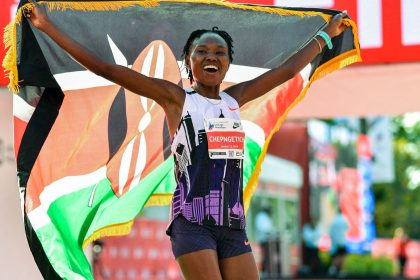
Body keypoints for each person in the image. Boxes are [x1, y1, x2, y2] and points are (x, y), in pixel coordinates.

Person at [24, 2, 347, 279]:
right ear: (188, 62)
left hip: (233, 228)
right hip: (193, 226)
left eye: (219, 52)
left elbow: (287, 70)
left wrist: (324, 36)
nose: (211, 56)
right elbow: (107, 69)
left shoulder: (236, 99)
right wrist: (48, 27)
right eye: (202, 51)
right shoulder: (176, 99)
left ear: (227, 64)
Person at [255, 206, 278, 276]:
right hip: (264, 240)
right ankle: (265, 272)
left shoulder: (265, 217)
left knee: (268, 257)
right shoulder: (261, 217)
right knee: (266, 256)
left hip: (268, 240)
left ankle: (268, 271)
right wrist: (272, 232)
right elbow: (265, 229)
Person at [328, 208, 349, 276]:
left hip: (335, 242)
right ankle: (340, 270)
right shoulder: (344, 219)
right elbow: (347, 228)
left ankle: (333, 269)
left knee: (336, 256)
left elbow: (331, 231)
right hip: (342, 241)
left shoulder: (334, 220)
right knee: (342, 257)